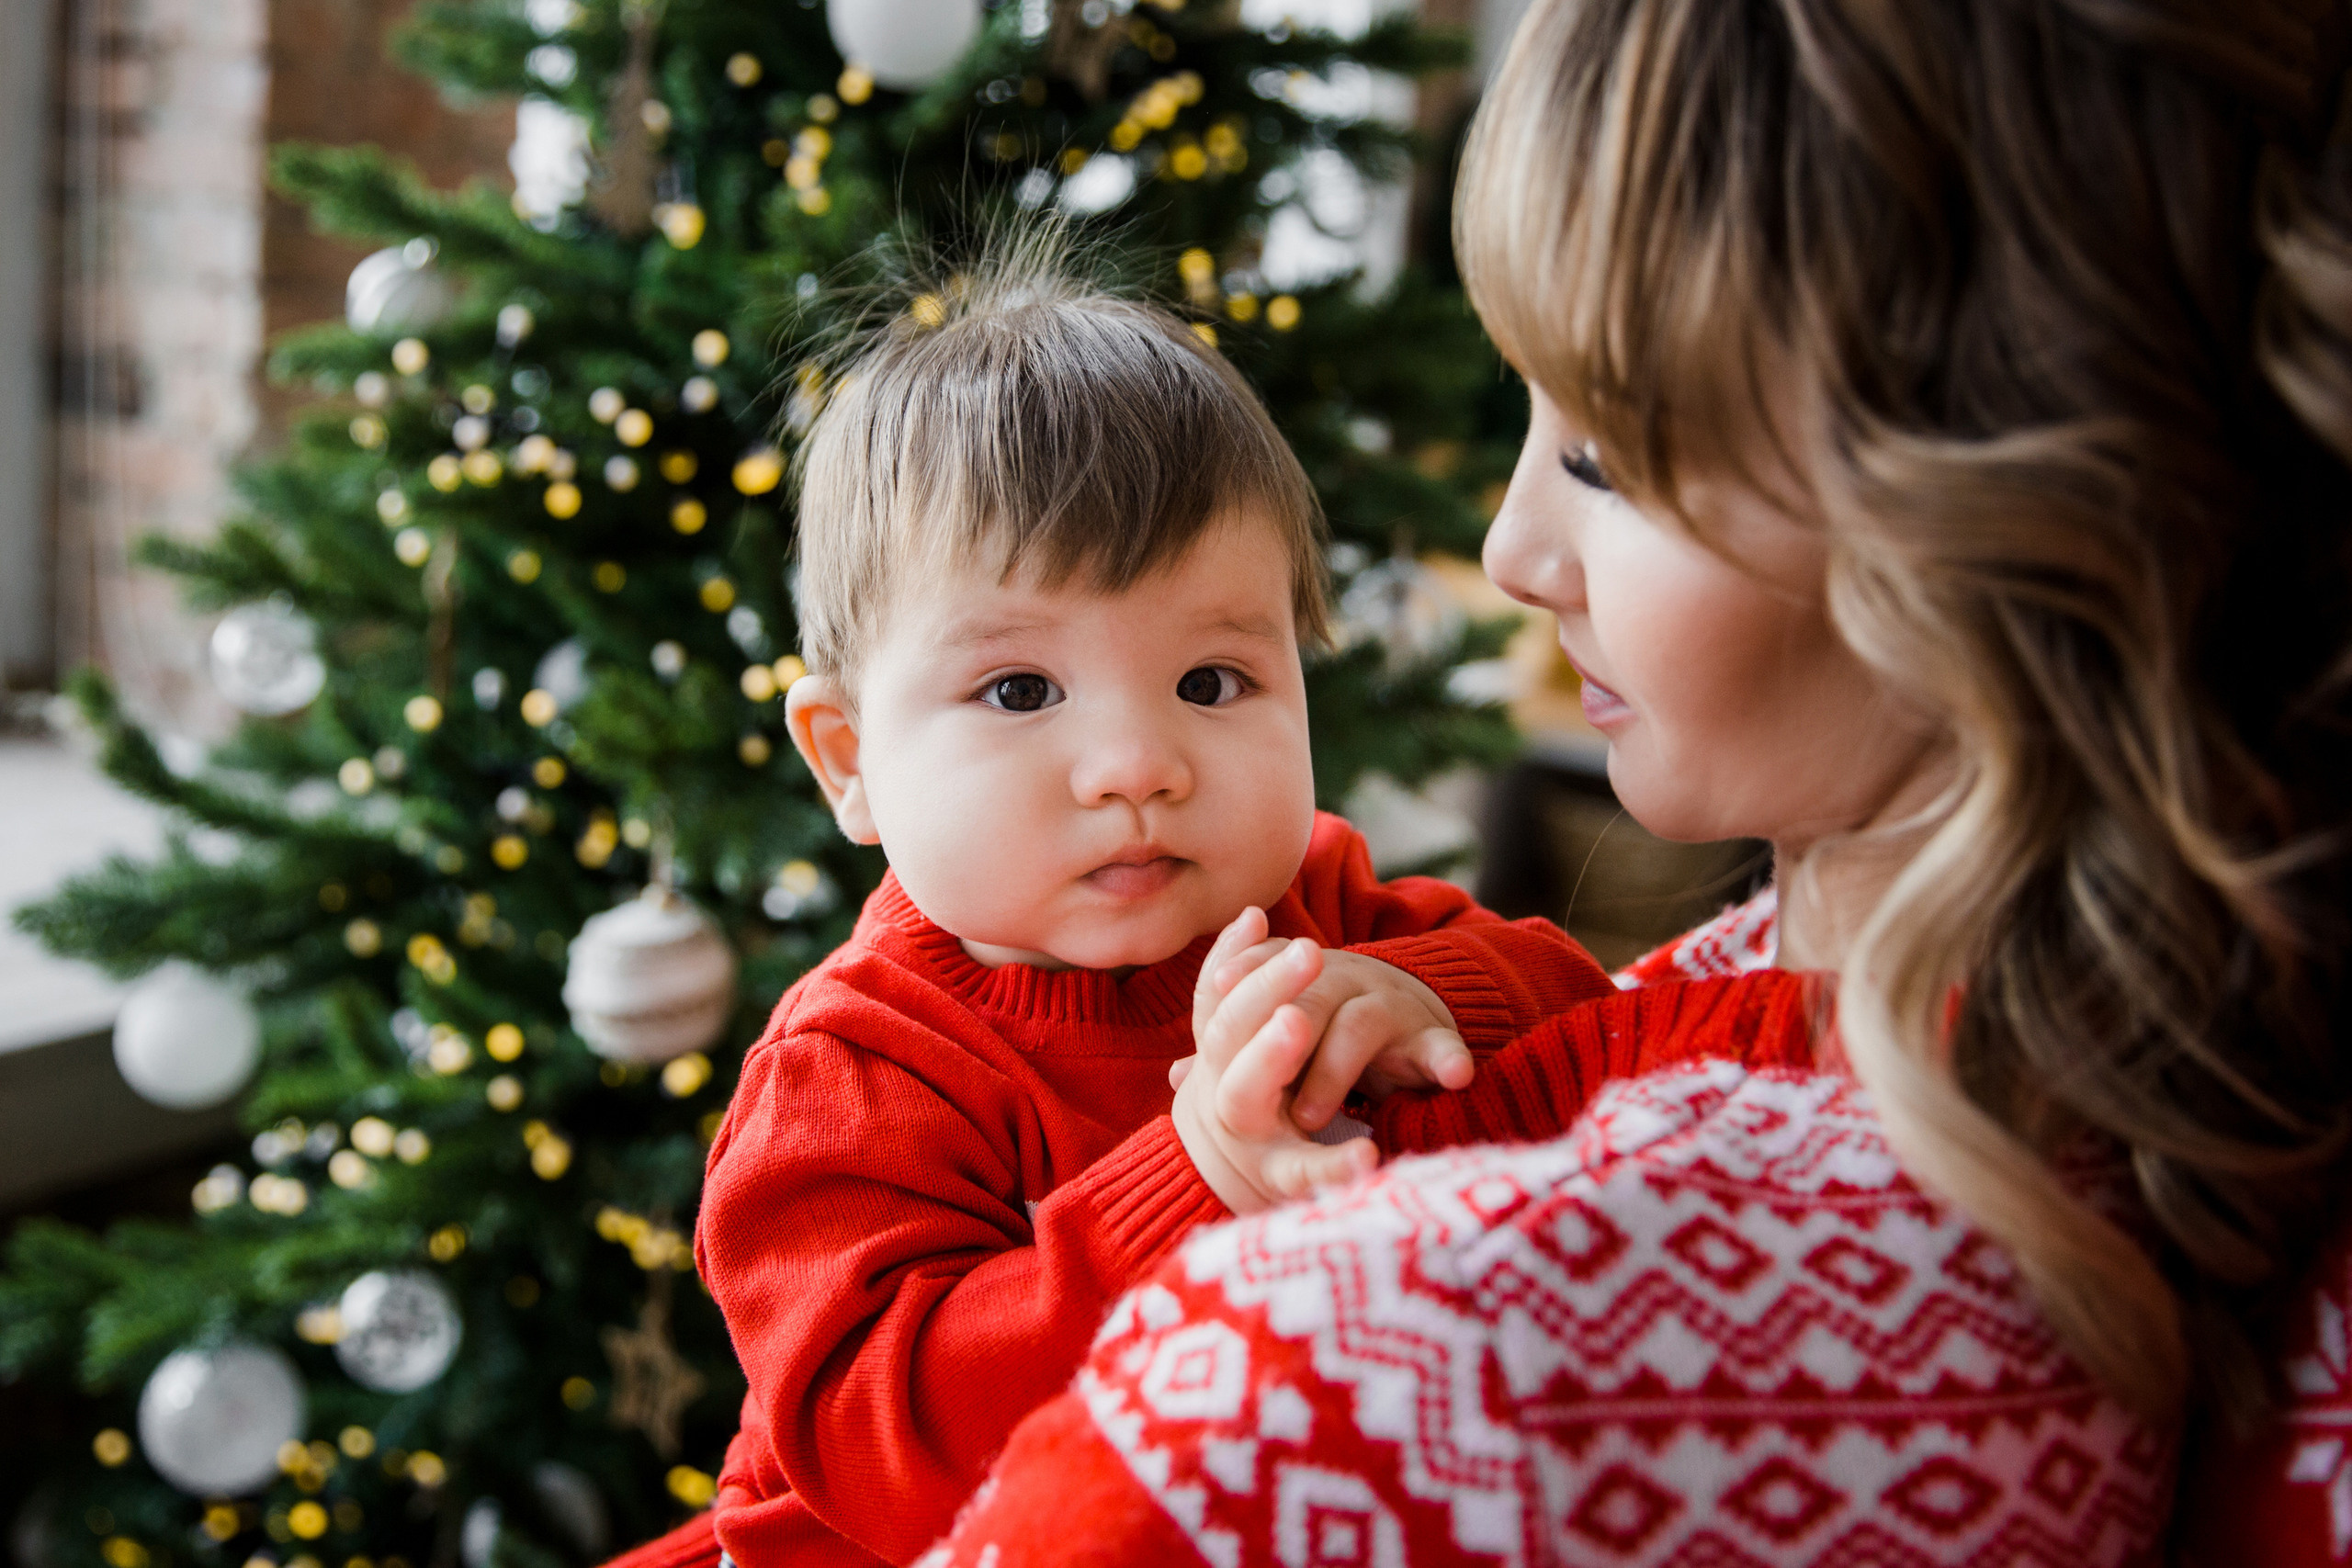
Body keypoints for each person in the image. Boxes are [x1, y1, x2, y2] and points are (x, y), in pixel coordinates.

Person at [924, 0, 2352, 1561]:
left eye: (1606, 455)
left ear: (2004, 508)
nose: (1513, 550)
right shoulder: (2182, 1047)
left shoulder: (1381, 1381)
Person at [604, 234, 1618, 1568]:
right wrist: (1191, 1181)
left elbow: (1598, 1024)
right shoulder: (851, 1078)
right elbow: (897, 1462)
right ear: (850, 761)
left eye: (1213, 682)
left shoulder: (1312, 900)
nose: (1140, 765)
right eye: (1021, 692)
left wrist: (1429, 998)